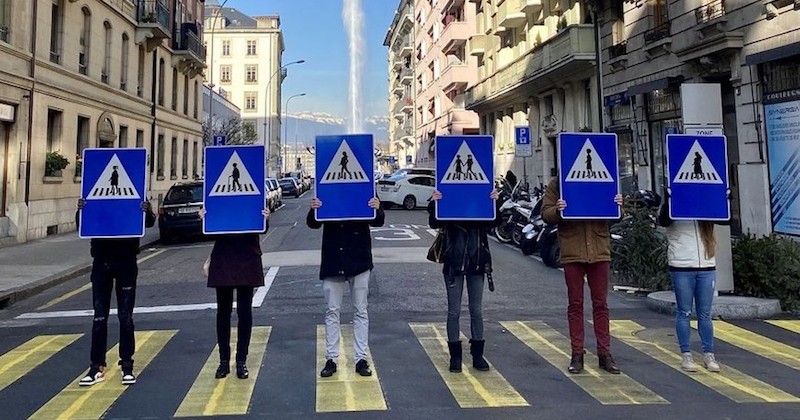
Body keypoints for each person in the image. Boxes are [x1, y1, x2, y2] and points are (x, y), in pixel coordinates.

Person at [541, 178, 623, 374]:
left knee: (601, 304)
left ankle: (605, 354)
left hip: (599, 250)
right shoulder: (558, 182)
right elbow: (546, 213)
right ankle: (577, 353)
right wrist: (558, 210)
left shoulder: (603, 175)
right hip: (572, 250)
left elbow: (616, 212)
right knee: (575, 305)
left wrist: (619, 205)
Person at [75, 198, 155, 386]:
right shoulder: (97, 197)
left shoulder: (134, 195)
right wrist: (81, 210)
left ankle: (127, 365)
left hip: (126, 260)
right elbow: (82, 224)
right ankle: (96, 366)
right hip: (101, 260)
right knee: (99, 318)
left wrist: (148, 210)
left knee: (125, 316)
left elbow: (149, 223)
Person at [308, 197, 385, 378]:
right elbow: (313, 223)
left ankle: (360, 359)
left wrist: (378, 207)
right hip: (334, 260)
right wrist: (313, 209)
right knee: (332, 311)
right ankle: (331, 359)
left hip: (358, 259)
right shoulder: (326, 190)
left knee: (360, 311)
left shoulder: (364, 187)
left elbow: (379, 220)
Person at [427, 189, 501, 373]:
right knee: (454, 311)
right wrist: (435, 202)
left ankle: (477, 356)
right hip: (454, 263)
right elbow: (434, 222)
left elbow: (495, 221)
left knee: (476, 309)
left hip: (477, 262)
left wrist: (494, 202)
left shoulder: (481, 204)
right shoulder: (449, 201)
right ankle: (456, 357)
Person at [199, 207, 270, 379]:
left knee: (244, 313)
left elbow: (261, 226)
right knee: (223, 313)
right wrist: (204, 219)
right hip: (224, 257)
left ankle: (241, 361)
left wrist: (265, 218)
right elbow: (209, 233)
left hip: (247, 257)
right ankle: (224, 361)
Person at [658, 188, 721, 373]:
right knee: (684, 312)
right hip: (682, 265)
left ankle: (709, 355)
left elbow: (726, 220)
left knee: (705, 314)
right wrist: (671, 199)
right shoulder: (672, 206)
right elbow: (664, 220)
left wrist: (724, 197)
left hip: (707, 266)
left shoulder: (705, 206)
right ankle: (686, 355)